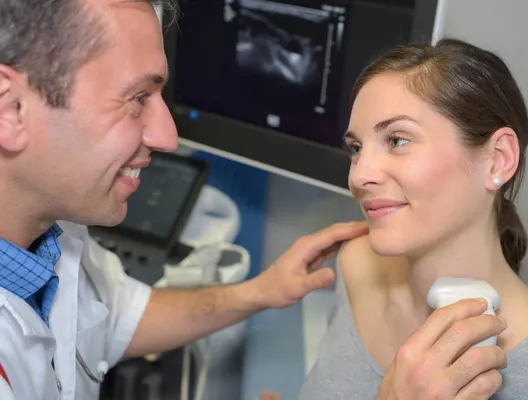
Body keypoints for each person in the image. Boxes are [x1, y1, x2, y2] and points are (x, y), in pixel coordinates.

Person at [0, 1, 368, 399]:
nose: (167, 136)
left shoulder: (55, 228)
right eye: (138, 97)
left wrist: (261, 291)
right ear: (11, 110)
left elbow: (114, 316)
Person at [294, 39, 528, 399]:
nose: (359, 176)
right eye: (357, 148)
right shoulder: (357, 264)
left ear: (498, 160)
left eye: (397, 140)